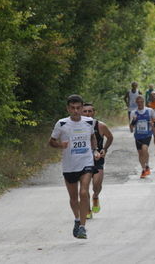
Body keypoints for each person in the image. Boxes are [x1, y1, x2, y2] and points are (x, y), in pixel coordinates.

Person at [49, 94, 100, 239]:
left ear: (82, 107)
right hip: (69, 165)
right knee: (73, 197)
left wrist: (95, 150)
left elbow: (92, 137)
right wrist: (60, 145)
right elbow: (51, 141)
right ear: (68, 108)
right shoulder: (62, 124)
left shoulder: (89, 122)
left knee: (83, 193)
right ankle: (77, 220)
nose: (76, 111)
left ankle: (83, 227)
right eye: (73, 108)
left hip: (86, 161)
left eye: (78, 108)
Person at [81, 103, 114, 219]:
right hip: (83, 159)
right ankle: (87, 210)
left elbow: (110, 137)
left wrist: (104, 149)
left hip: (97, 158)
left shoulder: (100, 126)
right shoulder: (77, 126)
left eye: (90, 111)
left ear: (94, 112)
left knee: (96, 184)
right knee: (84, 188)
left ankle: (95, 196)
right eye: (85, 111)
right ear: (81, 112)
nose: (87, 113)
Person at [129, 95, 155, 178]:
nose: (140, 103)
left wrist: (153, 123)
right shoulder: (133, 112)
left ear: (144, 102)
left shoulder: (149, 110)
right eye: (138, 102)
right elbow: (131, 128)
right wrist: (134, 121)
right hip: (138, 136)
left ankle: (147, 165)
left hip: (147, 134)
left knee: (145, 149)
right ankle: (144, 169)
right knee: (140, 153)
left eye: (141, 102)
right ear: (136, 103)